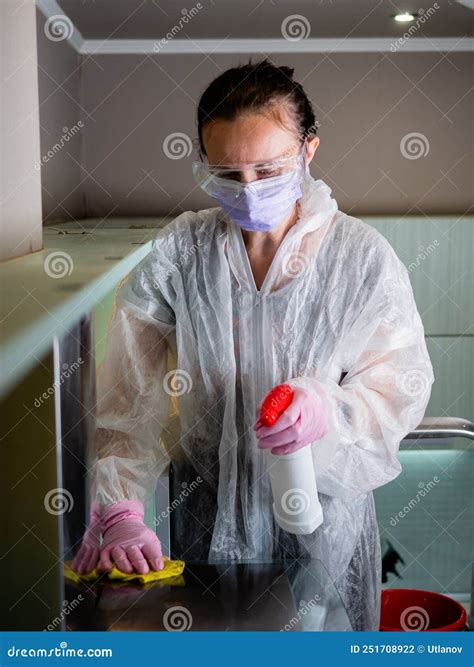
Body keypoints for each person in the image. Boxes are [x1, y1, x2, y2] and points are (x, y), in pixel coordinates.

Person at [72, 59, 433, 630]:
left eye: (268, 169)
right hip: (205, 520)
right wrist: (119, 506)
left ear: (309, 150)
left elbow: (400, 388)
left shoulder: (362, 259)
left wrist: (329, 413)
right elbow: (126, 396)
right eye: (227, 174)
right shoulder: (179, 255)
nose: (249, 190)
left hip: (324, 527)